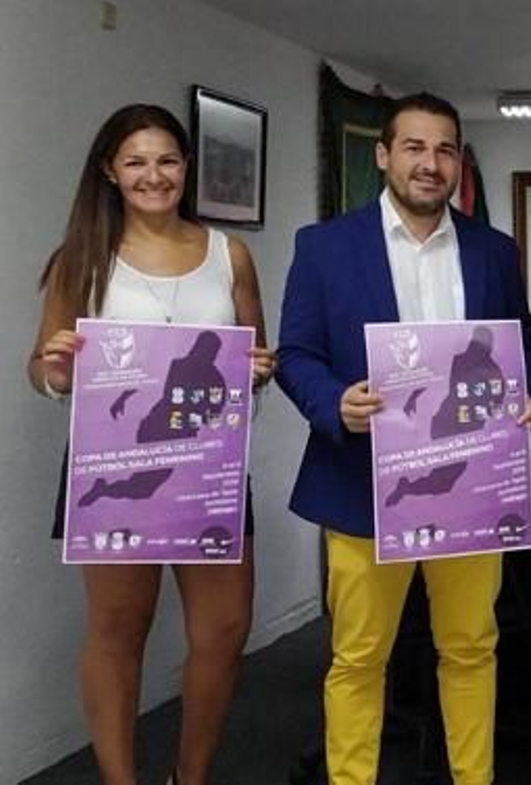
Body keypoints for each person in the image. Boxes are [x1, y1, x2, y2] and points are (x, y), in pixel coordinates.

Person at [275, 92, 531, 785]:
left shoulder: (494, 251)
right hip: (361, 484)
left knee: (471, 647)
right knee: (360, 656)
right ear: (383, 155)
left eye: (445, 149)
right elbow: (295, 352)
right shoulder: (324, 247)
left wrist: (525, 396)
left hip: (470, 486)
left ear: (458, 162)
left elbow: (518, 349)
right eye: (415, 147)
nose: (431, 163)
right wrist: (334, 402)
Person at [28, 103, 275, 785]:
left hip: (208, 469)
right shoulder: (81, 259)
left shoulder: (230, 254)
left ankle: (188, 777)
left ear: (187, 167)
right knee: (118, 630)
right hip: (114, 467)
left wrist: (258, 369)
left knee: (224, 630)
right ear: (110, 171)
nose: (153, 175)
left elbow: (257, 356)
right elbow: (42, 370)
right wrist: (56, 370)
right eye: (135, 161)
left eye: (167, 160)